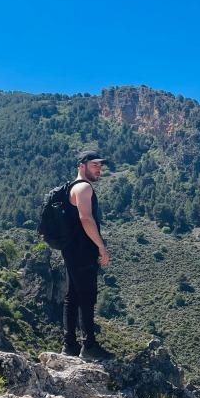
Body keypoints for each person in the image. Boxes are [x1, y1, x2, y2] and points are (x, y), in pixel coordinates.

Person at [61, 149, 114, 361]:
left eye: (100, 166)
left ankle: (69, 345)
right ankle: (89, 345)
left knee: (72, 296)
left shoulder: (69, 188)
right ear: (82, 165)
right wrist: (101, 246)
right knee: (87, 297)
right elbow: (86, 219)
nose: (99, 169)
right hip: (83, 250)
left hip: (71, 250)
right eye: (95, 165)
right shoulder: (83, 188)